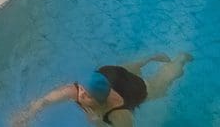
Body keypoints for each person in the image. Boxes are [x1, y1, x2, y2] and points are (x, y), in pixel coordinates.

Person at [12, 52, 193, 126]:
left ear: (100, 100)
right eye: (80, 89)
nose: (80, 94)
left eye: (86, 94)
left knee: (161, 85)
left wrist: (98, 123)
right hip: (112, 74)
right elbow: (44, 100)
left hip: (135, 88)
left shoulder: (119, 114)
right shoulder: (79, 90)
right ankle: (148, 58)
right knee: (129, 67)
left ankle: (180, 60)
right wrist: (27, 115)